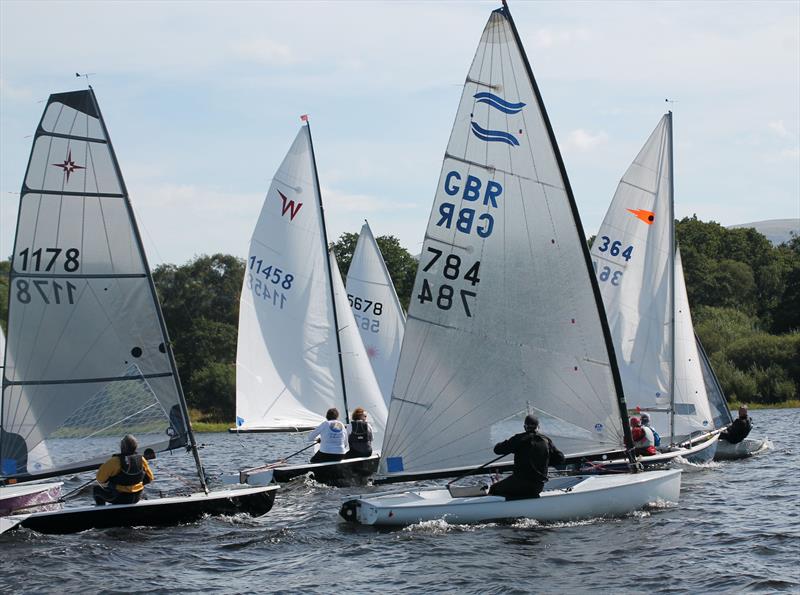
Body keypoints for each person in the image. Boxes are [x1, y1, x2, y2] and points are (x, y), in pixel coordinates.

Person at [488, 414, 565, 500]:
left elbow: (497, 450)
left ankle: (507, 508)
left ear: (525, 427)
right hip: (537, 487)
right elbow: (560, 459)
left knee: (494, 489)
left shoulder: (519, 439)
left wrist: (511, 445)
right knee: (518, 486)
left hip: (519, 483)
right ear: (538, 427)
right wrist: (544, 461)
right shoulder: (546, 440)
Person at [94, 434, 154, 506]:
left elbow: (100, 479)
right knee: (142, 491)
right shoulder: (141, 459)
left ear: (122, 447)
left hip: (119, 498)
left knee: (96, 489)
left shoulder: (114, 461)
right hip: (137, 497)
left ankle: (101, 509)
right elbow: (150, 478)